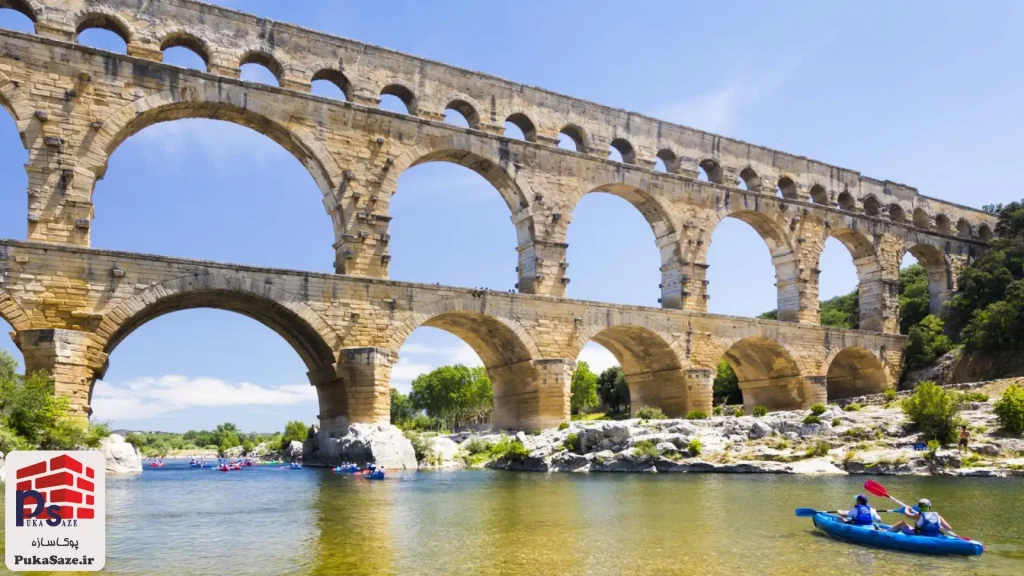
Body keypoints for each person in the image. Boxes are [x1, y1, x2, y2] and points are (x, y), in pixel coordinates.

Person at [889, 499, 954, 537]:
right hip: (935, 535)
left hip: (920, 535)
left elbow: (907, 514)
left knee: (901, 523)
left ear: (919, 507)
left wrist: (907, 508)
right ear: (930, 507)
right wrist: (939, 527)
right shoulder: (938, 516)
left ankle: (886, 533)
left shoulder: (919, 515)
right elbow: (949, 528)